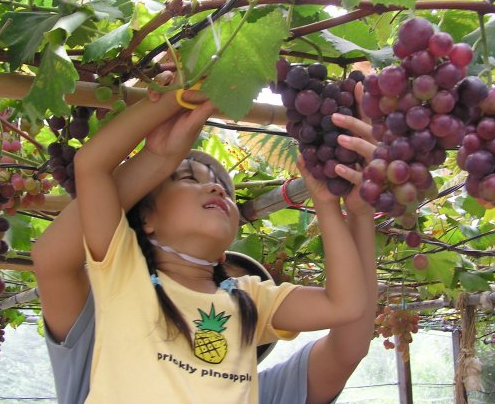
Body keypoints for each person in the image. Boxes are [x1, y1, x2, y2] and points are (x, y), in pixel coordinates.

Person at [31, 81, 377, 404]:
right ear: (145, 220)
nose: (216, 189)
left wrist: (333, 205)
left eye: (225, 191)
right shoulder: (123, 272)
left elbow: (347, 307)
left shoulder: (249, 298)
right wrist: (165, 132)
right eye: (187, 179)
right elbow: (91, 165)